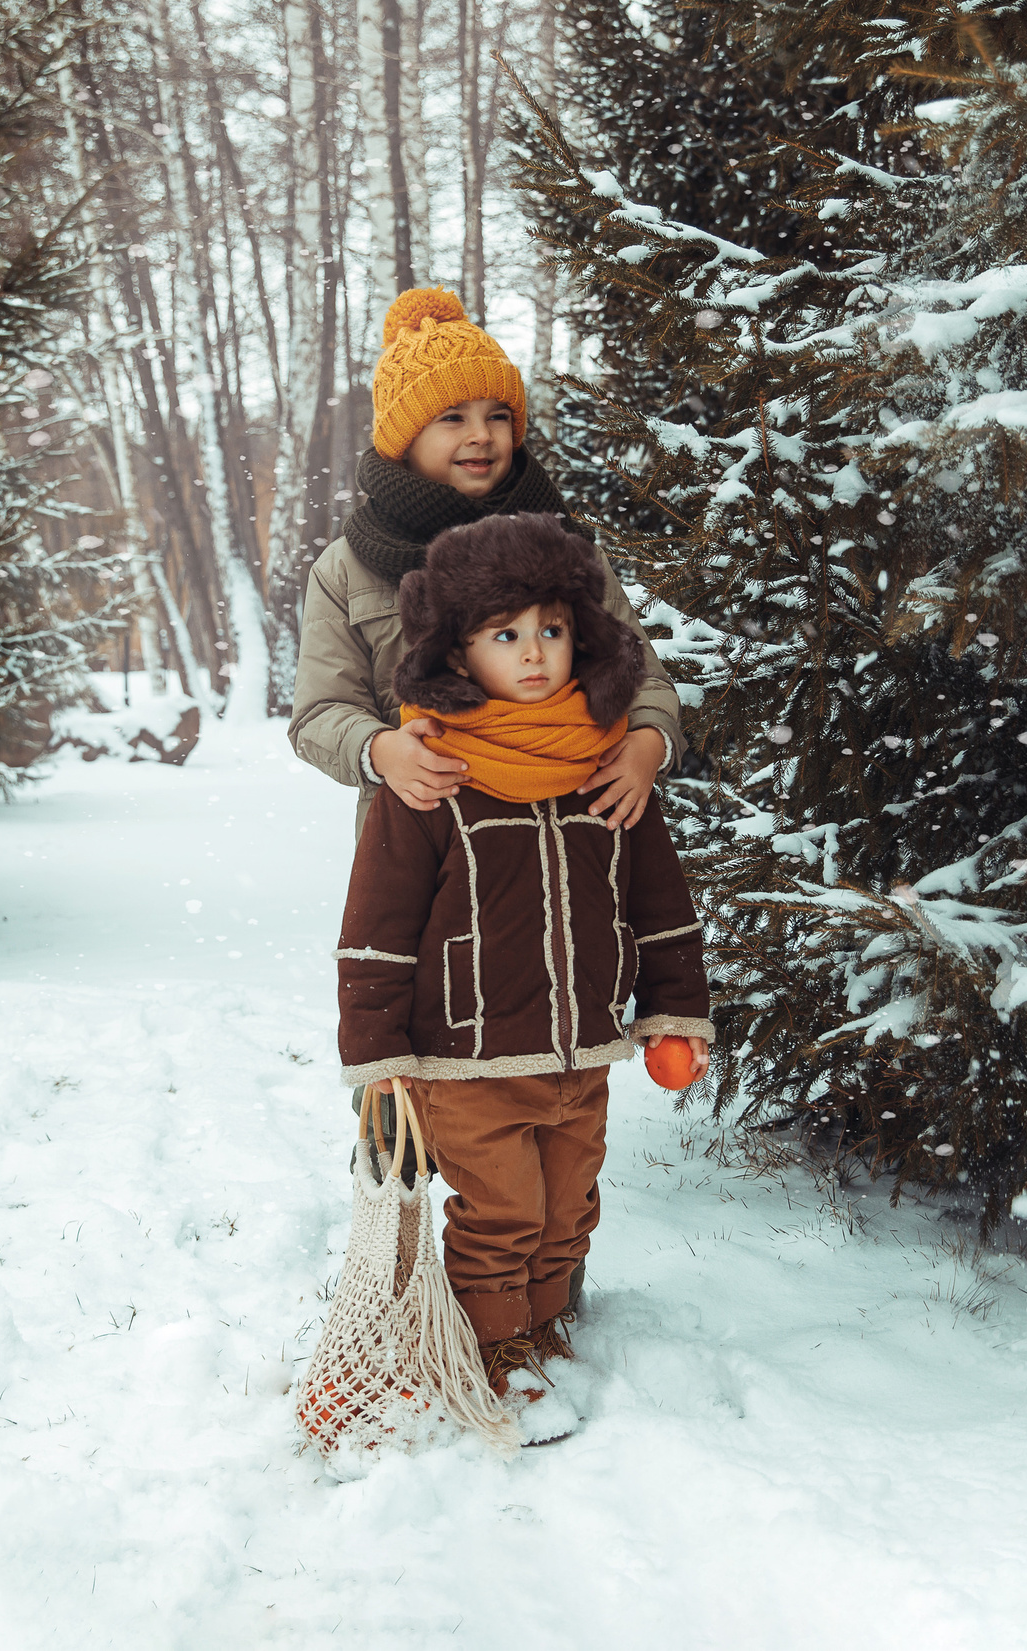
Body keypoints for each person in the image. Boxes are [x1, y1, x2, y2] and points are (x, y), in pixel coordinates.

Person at [332, 510, 714, 1430]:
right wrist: (378, 1055)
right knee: (502, 1213)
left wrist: (674, 1010)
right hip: (466, 1055)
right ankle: (494, 1345)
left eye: (552, 628)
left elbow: (659, 902)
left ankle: (543, 1325)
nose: (535, 652)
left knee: (568, 1210)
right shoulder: (432, 777)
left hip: (583, 1046)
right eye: (506, 635)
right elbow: (376, 929)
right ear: (460, 653)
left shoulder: (607, 762)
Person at [289, 287, 683, 833]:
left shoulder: (563, 546)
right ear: (404, 438)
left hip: (574, 829)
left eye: (498, 416)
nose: (481, 435)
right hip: (428, 835)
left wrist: (648, 741)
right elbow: (319, 712)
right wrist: (379, 749)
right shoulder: (348, 567)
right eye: (452, 417)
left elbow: (642, 678)